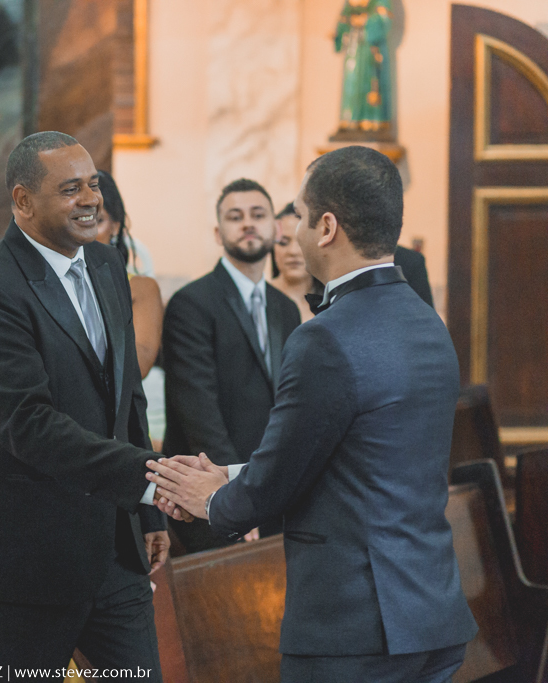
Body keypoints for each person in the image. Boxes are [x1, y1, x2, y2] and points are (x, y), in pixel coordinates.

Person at [147, 146, 478, 682]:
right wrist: (229, 475)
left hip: (353, 628)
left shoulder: (324, 337)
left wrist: (212, 498)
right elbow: (350, 458)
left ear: (326, 227)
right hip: (432, 613)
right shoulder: (428, 324)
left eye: (297, 217)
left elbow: (281, 475)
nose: (290, 233)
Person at [0, 132, 176, 681]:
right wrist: (148, 477)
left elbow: (128, 400)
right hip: (26, 561)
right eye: (70, 189)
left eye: (93, 185)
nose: (90, 200)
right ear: (23, 201)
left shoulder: (104, 269)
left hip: (116, 553)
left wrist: (147, 509)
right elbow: (28, 424)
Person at [161, 179, 301, 551]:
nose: (248, 224)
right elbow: (198, 411)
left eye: (258, 215)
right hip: (214, 496)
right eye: (235, 217)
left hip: (270, 489)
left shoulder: (285, 308)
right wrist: (234, 498)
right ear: (218, 232)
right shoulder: (191, 304)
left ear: (276, 227)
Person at [94, 170, 162, 379]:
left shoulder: (140, 288)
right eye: (77, 219)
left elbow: (139, 365)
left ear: (115, 226)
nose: (85, 230)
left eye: (97, 221)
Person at [271, 202, 322, 322]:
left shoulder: (334, 302)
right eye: (283, 242)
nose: (293, 252)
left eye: (302, 242)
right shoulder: (259, 300)